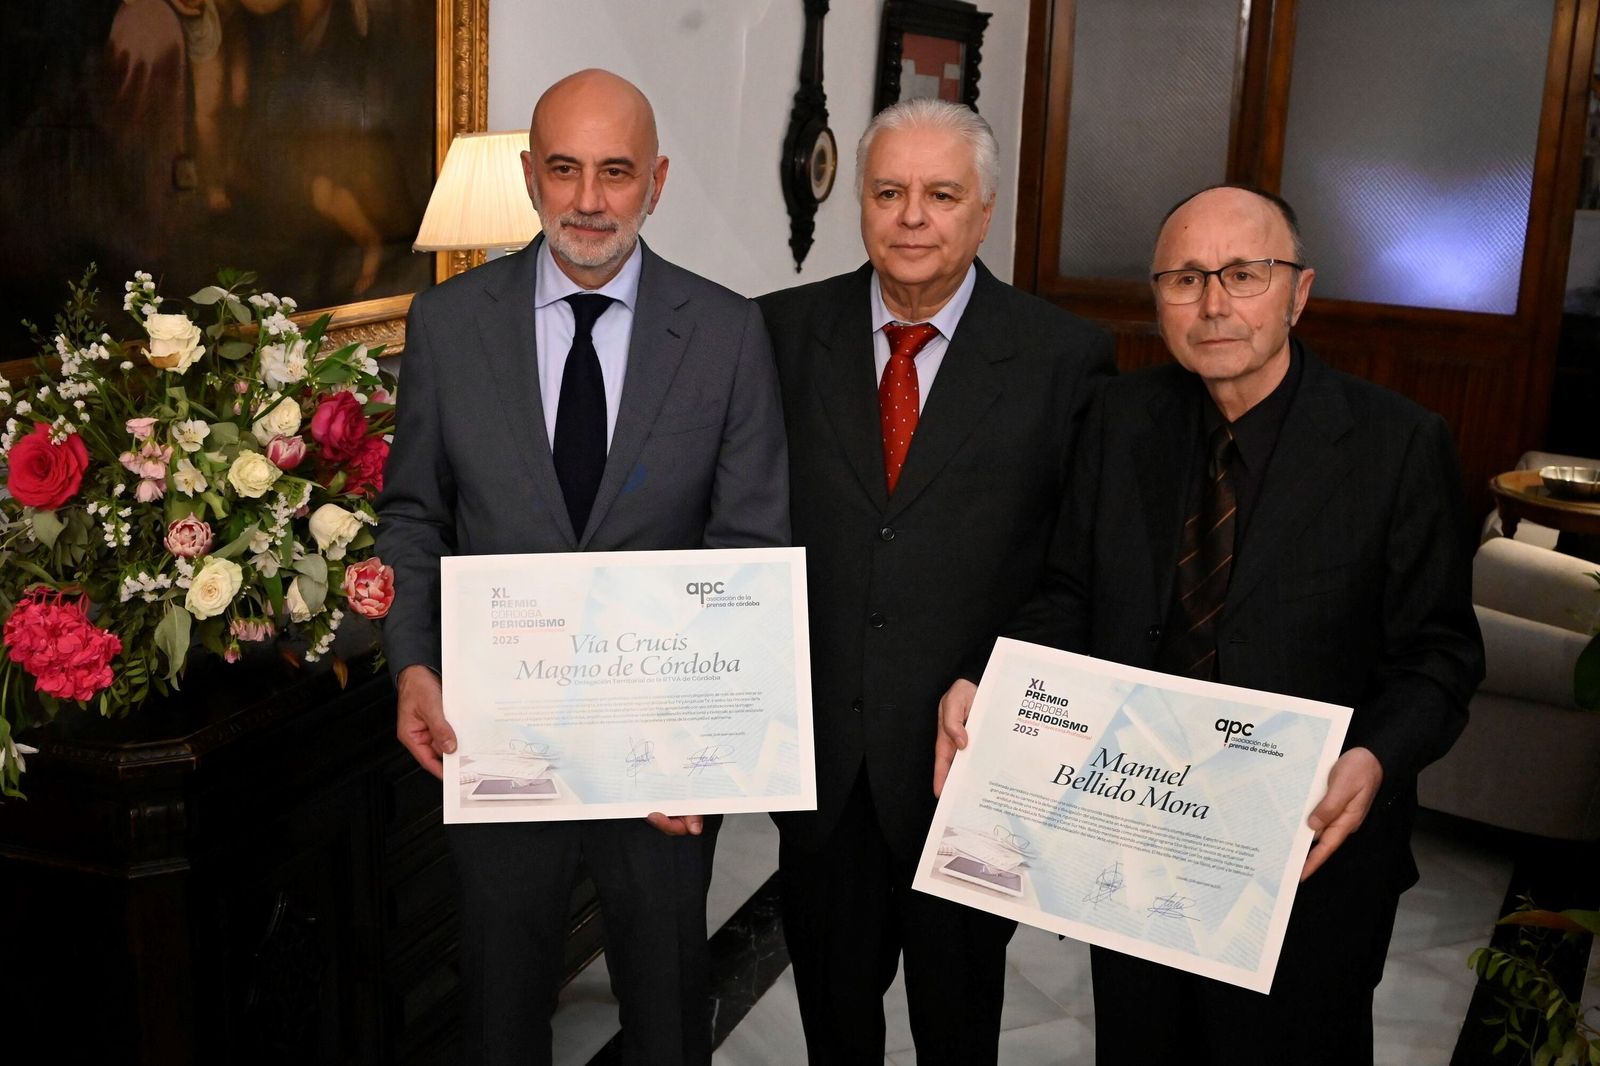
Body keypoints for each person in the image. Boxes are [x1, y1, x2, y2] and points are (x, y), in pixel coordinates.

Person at [935, 184, 1484, 1065]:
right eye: (1186, 279)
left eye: (1244, 273)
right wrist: (987, 679)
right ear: (1157, 301)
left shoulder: (1397, 444)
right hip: (1136, 846)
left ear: (1299, 293)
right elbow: (1067, 594)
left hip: (1307, 863)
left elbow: (1442, 654)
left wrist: (1374, 758)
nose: (1216, 303)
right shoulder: (1119, 420)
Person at [376, 69, 789, 1066]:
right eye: (564, 170)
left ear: (657, 181)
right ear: (530, 176)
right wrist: (411, 662)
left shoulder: (728, 332)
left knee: (664, 1007)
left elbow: (749, 549)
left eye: (615, 172)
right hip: (497, 731)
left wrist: (704, 741)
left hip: (662, 752)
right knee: (502, 1006)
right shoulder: (448, 324)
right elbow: (414, 514)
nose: (590, 200)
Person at [756, 97, 1114, 1065]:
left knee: (959, 1027)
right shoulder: (775, 334)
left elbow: (1074, 567)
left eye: (940, 193)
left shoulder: (1065, 360)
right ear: (860, 206)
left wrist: (1003, 678)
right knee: (834, 1022)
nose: (912, 216)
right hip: (823, 769)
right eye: (888, 191)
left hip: (971, 762)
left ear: (984, 210)